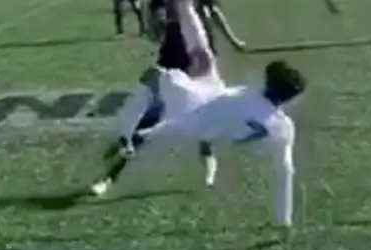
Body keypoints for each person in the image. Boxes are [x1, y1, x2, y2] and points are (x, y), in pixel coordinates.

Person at [90, 0, 223, 197]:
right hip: (170, 64)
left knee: (204, 120)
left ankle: (209, 161)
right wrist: (156, 26)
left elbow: (210, 24)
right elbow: (154, 34)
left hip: (198, 68)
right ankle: (108, 178)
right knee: (146, 124)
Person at [111, 60, 304, 228]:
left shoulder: (247, 97)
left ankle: (127, 136)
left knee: (153, 75)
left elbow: (234, 98)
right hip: (210, 129)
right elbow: (284, 172)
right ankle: (134, 137)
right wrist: (283, 218)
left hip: (194, 110)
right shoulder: (283, 127)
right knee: (158, 132)